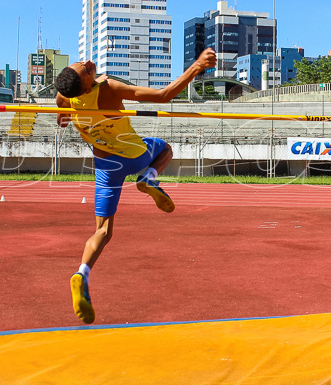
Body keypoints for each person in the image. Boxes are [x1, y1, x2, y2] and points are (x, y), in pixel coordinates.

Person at [55, 48, 217, 324]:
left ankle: (82, 272)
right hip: (134, 155)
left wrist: (69, 118)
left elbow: (62, 119)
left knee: (103, 231)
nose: (89, 63)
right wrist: (197, 67)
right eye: (87, 69)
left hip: (106, 167)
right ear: (87, 83)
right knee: (165, 148)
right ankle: (148, 177)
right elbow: (164, 96)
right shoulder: (108, 88)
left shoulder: (63, 97)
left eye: (83, 62)